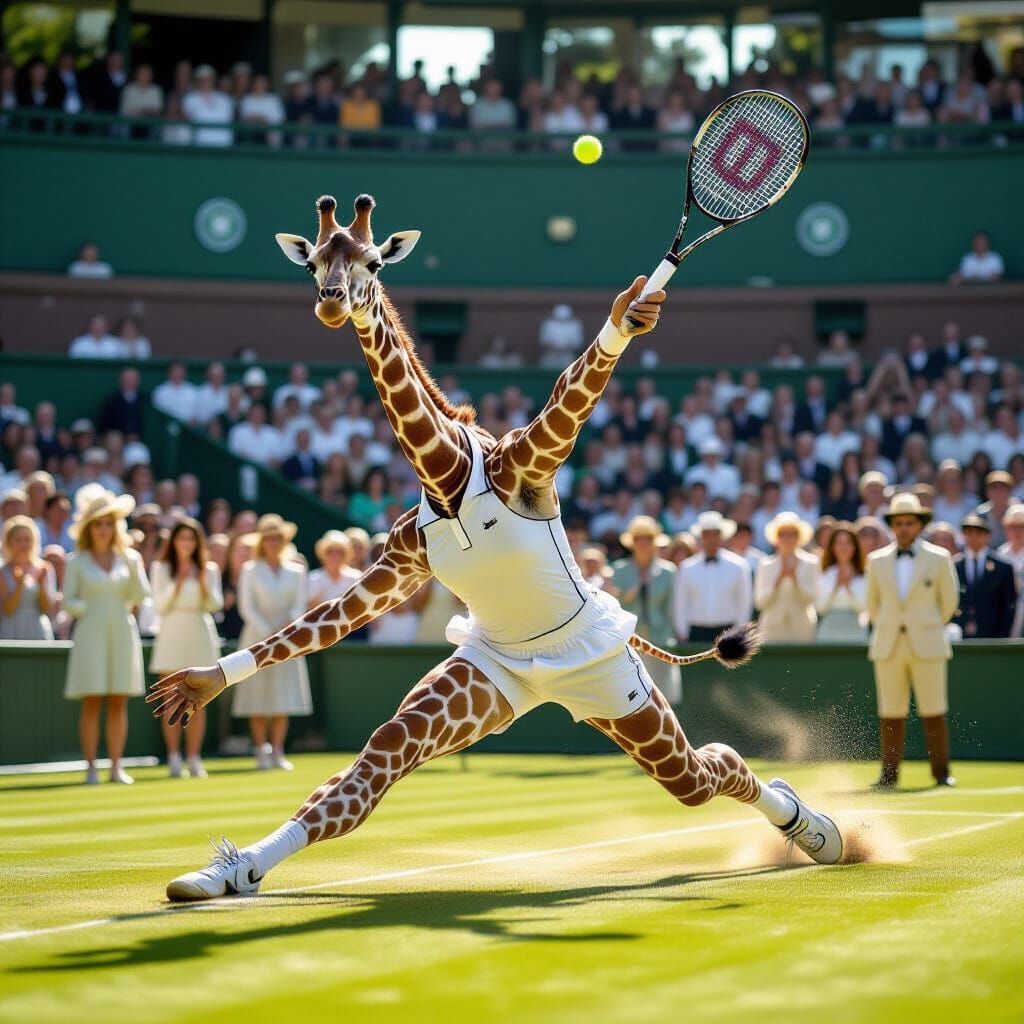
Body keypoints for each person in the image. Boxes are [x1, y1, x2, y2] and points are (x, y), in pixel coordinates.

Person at [151, 267, 840, 902]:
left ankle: (777, 805)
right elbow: (337, 616)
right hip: (495, 659)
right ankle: (249, 864)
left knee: (688, 783)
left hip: (591, 652)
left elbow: (567, 409)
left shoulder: (515, 469)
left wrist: (613, 333)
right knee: (390, 745)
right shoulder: (414, 536)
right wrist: (226, 668)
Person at [865, 493, 959, 789]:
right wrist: (896, 625)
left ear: (919, 525)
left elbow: (949, 603)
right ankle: (889, 775)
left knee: (934, 710)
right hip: (889, 644)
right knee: (890, 712)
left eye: (909, 522)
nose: (904, 528)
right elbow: (872, 605)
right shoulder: (876, 561)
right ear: (892, 525)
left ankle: (941, 773)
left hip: (927, 643)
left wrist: (925, 626)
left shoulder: (939, 558)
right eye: (899, 523)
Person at [63, 488, 150, 785]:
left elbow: (141, 594)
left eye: (109, 523)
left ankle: (115, 767)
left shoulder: (129, 558)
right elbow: (68, 601)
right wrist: (89, 608)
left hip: (122, 633)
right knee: (92, 701)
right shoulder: (77, 560)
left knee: (118, 701)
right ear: (89, 527)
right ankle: (90, 767)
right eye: (98, 523)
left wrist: (135, 564)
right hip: (91, 633)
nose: (104, 529)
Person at [232, 514, 311, 770]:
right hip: (257, 639)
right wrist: (268, 631)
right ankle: (260, 751)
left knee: (283, 697)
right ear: (262, 542)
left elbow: (300, 603)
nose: (273, 543)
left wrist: (286, 628)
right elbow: (247, 607)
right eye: (269, 538)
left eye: (278, 538)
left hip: (288, 639)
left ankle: (277, 751)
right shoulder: (250, 570)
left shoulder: (296, 571)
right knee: (259, 697)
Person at [149, 519, 223, 779]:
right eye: (182, 539)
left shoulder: (209, 568)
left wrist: (201, 581)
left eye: (191, 539)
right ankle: (173, 757)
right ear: (174, 542)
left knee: (197, 699)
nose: (186, 544)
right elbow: (160, 605)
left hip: (200, 632)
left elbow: (215, 604)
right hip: (171, 632)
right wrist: (179, 581)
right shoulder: (161, 568)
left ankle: (193, 757)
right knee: (171, 698)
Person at [611, 516, 680, 704]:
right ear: (632, 543)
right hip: (629, 641)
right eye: (637, 539)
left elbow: (672, 608)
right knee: (631, 699)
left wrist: (672, 634)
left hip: (659, 639)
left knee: (662, 698)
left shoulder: (668, 571)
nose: (642, 544)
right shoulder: (619, 570)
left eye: (647, 539)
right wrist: (637, 586)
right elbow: (615, 605)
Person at [672, 511, 752, 643]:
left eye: (715, 534)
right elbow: (680, 602)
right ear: (701, 537)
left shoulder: (739, 565)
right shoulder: (687, 567)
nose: (711, 539)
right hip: (696, 633)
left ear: (722, 536)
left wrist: (738, 632)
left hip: (728, 632)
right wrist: (682, 631)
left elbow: (744, 603)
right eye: (707, 534)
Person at [755, 513, 820, 643]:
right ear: (776, 538)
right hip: (772, 629)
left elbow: (811, 599)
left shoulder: (811, 562)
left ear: (799, 537)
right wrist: (778, 579)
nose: (787, 539)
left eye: (792, 534)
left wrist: (795, 579)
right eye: (782, 534)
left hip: (801, 629)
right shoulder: (766, 564)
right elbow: (760, 602)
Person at [953, 514, 1016, 639]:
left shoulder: (1003, 567)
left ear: (988, 535)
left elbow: (1008, 607)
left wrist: (1002, 638)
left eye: (978, 533)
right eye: (969, 532)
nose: (973, 537)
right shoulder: (954, 565)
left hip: (993, 635)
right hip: (959, 635)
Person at [0, 516, 55, 640]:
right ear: (8, 542)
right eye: (18, 540)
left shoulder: (45, 568)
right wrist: (19, 586)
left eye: (27, 539)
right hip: (10, 632)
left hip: (39, 632)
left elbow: (47, 609)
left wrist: (41, 585)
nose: (23, 544)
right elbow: (7, 610)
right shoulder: (2, 571)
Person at [815, 521, 867, 641]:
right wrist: (836, 585)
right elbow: (820, 607)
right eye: (839, 543)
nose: (843, 547)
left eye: (848, 543)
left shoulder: (863, 575)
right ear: (832, 547)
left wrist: (848, 587)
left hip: (856, 632)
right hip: (828, 632)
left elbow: (863, 607)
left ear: (855, 547)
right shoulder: (825, 573)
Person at [307, 530, 361, 607]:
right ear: (324, 554)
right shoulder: (313, 578)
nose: (335, 556)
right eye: (330, 551)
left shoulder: (355, 577)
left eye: (340, 552)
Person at [998, 504, 1024, 638]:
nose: (1016, 531)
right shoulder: (1000, 554)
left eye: (1021, 526)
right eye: (1012, 527)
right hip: (1007, 612)